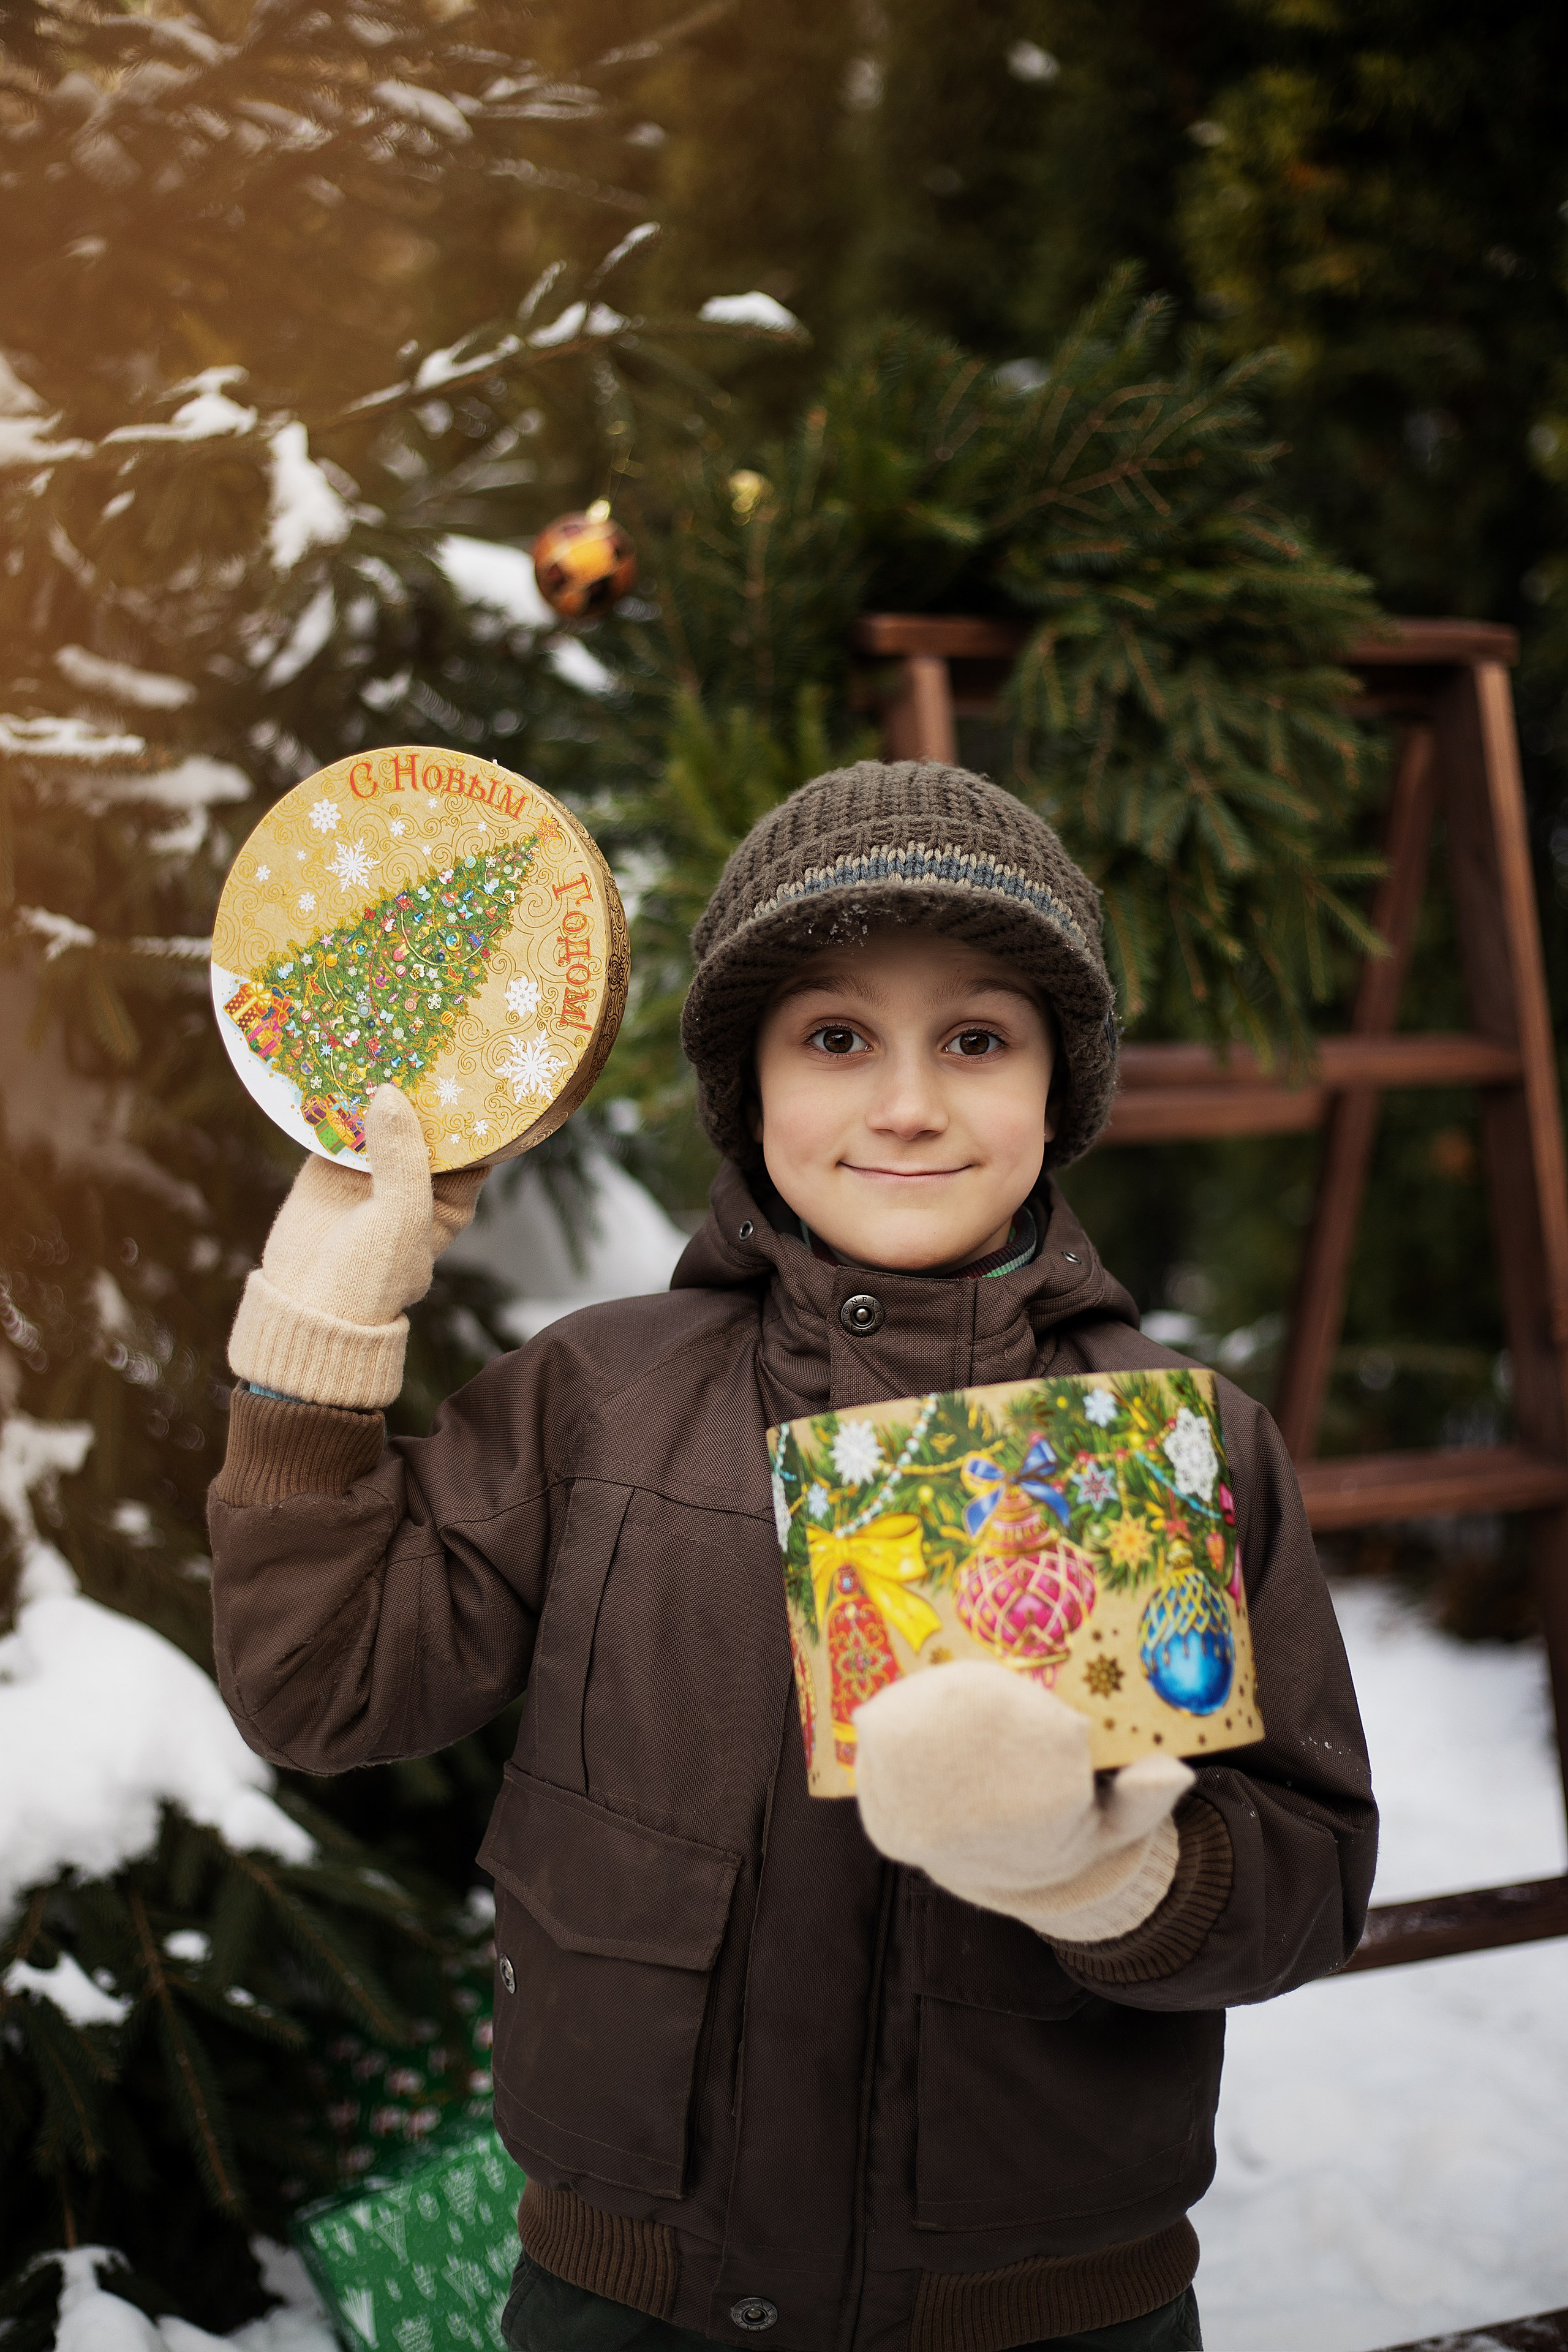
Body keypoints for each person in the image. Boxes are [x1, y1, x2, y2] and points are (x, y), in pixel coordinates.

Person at [208, 761, 1376, 2352]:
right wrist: (317, 1351)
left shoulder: (1180, 1442)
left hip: (1040, 2320)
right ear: (749, 1084)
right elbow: (320, 1691)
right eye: (837, 1038)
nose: (907, 1102)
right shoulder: (595, 1397)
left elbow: (1306, 1891)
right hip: (625, 2305)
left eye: (976, 1039)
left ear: (1060, 1086)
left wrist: (1109, 1871)